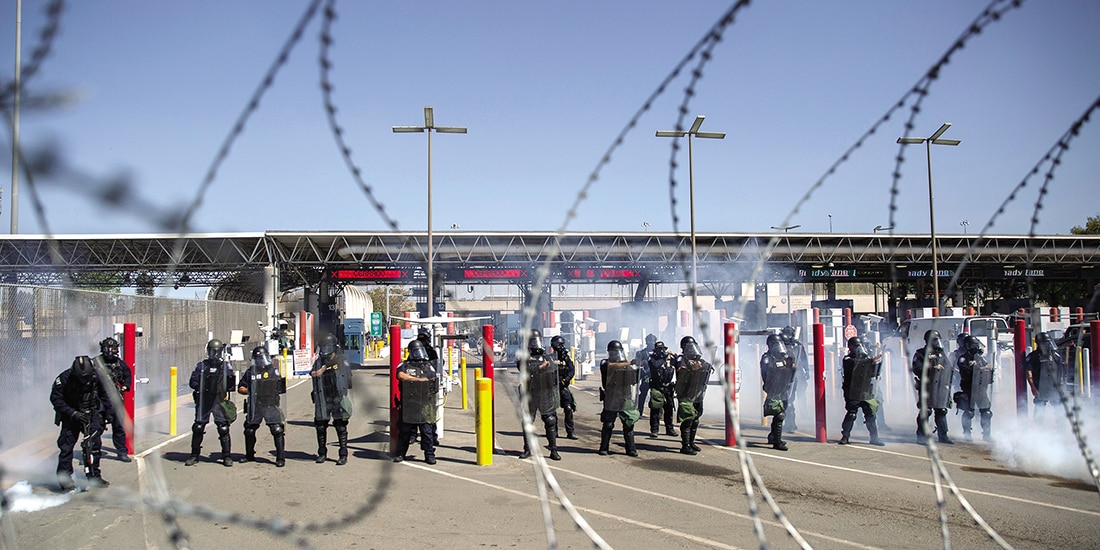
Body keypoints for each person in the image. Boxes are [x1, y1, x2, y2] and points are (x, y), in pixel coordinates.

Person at [51, 356, 111, 489]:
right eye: (81, 377)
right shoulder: (64, 378)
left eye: (86, 377)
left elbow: (106, 396)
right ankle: (65, 479)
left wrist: (107, 414)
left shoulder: (98, 376)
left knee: (94, 446)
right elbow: (55, 399)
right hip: (71, 415)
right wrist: (73, 413)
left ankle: (94, 476)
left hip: (91, 413)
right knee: (66, 447)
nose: (84, 380)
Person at [185, 339, 237, 466]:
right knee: (198, 427)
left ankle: (226, 456)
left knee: (223, 428)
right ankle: (194, 455)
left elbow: (231, 382)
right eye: (212, 351)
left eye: (217, 351)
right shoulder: (202, 366)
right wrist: (202, 386)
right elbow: (193, 382)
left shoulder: (225, 366)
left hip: (219, 400)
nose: (214, 354)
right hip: (204, 400)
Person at [237, 346, 287, 466]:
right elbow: (241, 388)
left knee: (277, 430)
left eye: (262, 358)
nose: (260, 361)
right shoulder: (251, 371)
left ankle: (280, 458)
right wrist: (251, 391)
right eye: (257, 359)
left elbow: (279, 386)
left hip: (270, 404)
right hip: (255, 405)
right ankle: (249, 455)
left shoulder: (272, 370)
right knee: (249, 430)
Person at [394, 339, 439, 464]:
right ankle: (400, 453)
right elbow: (400, 375)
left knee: (427, 432)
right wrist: (417, 380)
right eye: (416, 352)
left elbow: (432, 377)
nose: (419, 354)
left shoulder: (427, 365)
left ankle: (429, 454)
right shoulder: (405, 365)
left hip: (424, 403)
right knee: (404, 432)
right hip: (409, 403)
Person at [518, 331, 561, 460]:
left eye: (537, 341)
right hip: (530, 394)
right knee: (527, 421)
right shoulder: (524, 359)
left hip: (545, 393)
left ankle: (553, 450)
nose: (535, 345)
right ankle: (527, 449)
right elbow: (525, 370)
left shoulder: (547, 358)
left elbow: (553, 371)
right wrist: (539, 368)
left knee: (550, 420)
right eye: (533, 342)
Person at [311, 333, 353, 465]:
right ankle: (322, 453)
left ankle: (343, 454)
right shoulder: (319, 362)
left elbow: (346, 378)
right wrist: (323, 367)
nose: (326, 353)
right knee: (320, 426)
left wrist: (328, 367)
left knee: (340, 427)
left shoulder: (342, 360)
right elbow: (313, 373)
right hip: (323, 398)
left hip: (337, 398)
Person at [839, 336, 885, 446]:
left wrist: (876, 364)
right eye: (856, 346)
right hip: (852, 391)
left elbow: (873, 373)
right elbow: (856, 364)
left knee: (870, 414)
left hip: (865, 390)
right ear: (850, 347)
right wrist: (870, 361)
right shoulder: (847, 359)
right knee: (851, 414)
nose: (858, 348)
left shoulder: (867, 358)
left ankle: (874, 438)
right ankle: (845, 437)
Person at [598, 340, 640, 457]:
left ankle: (631, 449)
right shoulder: (605, 363)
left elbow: (634, 380)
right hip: (611, 396)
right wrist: (629, 363)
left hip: (624, 396)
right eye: (613, 352)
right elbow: (611, 367)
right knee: (608, 424)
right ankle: (604, 447)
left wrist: (636, 368)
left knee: (628, 424)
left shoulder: (626, 364)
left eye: (617, 352)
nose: (615, 354)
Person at [912, 329, 954, 444]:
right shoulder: (921, 353)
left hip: (940, 387)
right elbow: (917, 368)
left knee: (941, 410)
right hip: (927, 386)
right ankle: (921, 436)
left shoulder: (941, 354)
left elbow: (948, 368)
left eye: (937, 340)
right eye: (934, 340)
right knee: (926, 411)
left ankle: (943, 435)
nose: (937, 343)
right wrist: (931, 369)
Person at [95, 337, 133, 462]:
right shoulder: (96, 362)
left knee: (119, 427)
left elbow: (128, 376)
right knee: (97, 427)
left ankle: (122, 452)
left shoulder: (119, 363)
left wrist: (125, 386)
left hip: (115, 399)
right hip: (99, 400)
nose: (110, 351)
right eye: (107, 348)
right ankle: (95, 451)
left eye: (113, 348)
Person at [674, 336, 712, 455]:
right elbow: (681, 370)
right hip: (686, 393)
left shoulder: (699, 360)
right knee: (687, 419)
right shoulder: (681, 359)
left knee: (695, 419)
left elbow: (707, 366)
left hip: (697, 393)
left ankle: (691, 442)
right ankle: (685, 445)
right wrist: (692, 368)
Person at [760, 334, 797, 451]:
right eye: (776, 344)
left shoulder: (784, 357)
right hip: (774, 389)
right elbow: (766, 374)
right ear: (770, 345)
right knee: (779, 414)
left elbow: (791, 370)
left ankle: (773, 436)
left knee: (781, 412)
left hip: (784, 388)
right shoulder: (767, 358)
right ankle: (777, 442)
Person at [956, 335, 994, 441]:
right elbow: (967, 372)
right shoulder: (963, 358)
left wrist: (989, 370)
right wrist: (980, 369)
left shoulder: (980, 358)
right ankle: (967, 433)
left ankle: (986, 435)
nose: (975, 347)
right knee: (969, 412)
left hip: (981, 388)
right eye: (972, 345)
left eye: (976, 345)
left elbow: (987, 369)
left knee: (986, 412)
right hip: (969, 389)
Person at [1025, 331, 1067, 421]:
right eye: (1045, 343)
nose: (1048, 345)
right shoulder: (1033, 356)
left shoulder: (1055, 355)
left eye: (1048, 342)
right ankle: (1038, 430)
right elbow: (1028, 372)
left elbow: (1062, 371)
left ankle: (1061, 429)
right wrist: (1033, 387)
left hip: (1054, 387)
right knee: (1039, 409)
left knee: (1059, 409)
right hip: (1040, 387)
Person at [779, 326, 809, 433]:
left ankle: (791, 423)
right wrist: (807, 371)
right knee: (796, 397)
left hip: (791, 375)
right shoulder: (797, 346)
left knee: (789, 399)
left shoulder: (786, 346)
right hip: (797, 374)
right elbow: (804, 360)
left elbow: (803, 359)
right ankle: (796, 420)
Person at [646, 340, 678, 438]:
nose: (661, 351)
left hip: (668, 387)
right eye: (659, 349)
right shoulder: (652, 359)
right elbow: (656, 365)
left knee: (669, 409)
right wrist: (664, 357)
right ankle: (654, 430)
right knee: (656, 409)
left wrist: (674, 355)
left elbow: (679, 362)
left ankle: (670, 429)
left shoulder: (669, 359)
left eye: (663, 349)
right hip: (657, 386)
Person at [551, 336, 578, 440]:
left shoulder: (566, 358)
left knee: (568, 408)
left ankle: (570, 432)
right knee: (552, 410)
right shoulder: (551, 357)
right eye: (559, 345)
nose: (561, 347)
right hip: (553, 387)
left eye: (562, 345)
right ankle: (554, 431)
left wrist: (566, 379)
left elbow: (572, 369)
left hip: (563, 387)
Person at [633, 334, 656, 417]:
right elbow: (637, 365)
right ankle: (639, 411)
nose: (651, 342)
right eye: (649, 340)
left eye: (653, 341)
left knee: (656, 396)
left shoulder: (658, 353)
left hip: (655, 378)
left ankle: (657, 414)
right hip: (646, 377)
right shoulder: (641, 353)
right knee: (642, 395)